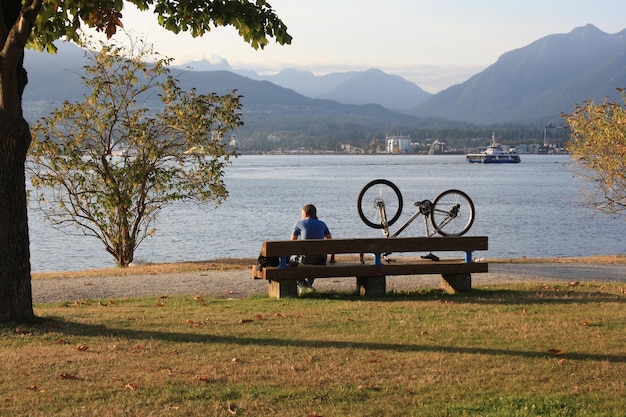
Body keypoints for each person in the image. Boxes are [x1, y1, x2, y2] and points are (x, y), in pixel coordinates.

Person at [291, 204, 335, 289]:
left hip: (305, 259)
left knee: (291, 262)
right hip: (321, 259)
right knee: (314, 259)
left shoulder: (299, 223)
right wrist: (332, 257)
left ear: (305, 214)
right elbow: (330, 241)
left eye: (302, 213)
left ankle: (304, 285)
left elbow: (293, 241)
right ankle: (308, 286)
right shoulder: (322, 224)